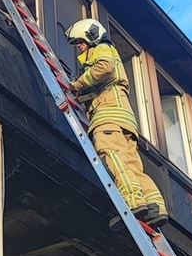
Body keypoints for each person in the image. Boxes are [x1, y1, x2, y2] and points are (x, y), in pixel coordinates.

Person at [65, 18, 167, 230]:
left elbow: (104, 68)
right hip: (125, 119)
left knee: (110, 153)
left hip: (108, 115)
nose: (80, 48)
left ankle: (133, 202)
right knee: (131, 165)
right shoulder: (108, 52)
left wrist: (77, 85)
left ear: (91, 35)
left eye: (80, 42)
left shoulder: (103, 49)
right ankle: (155, 207)